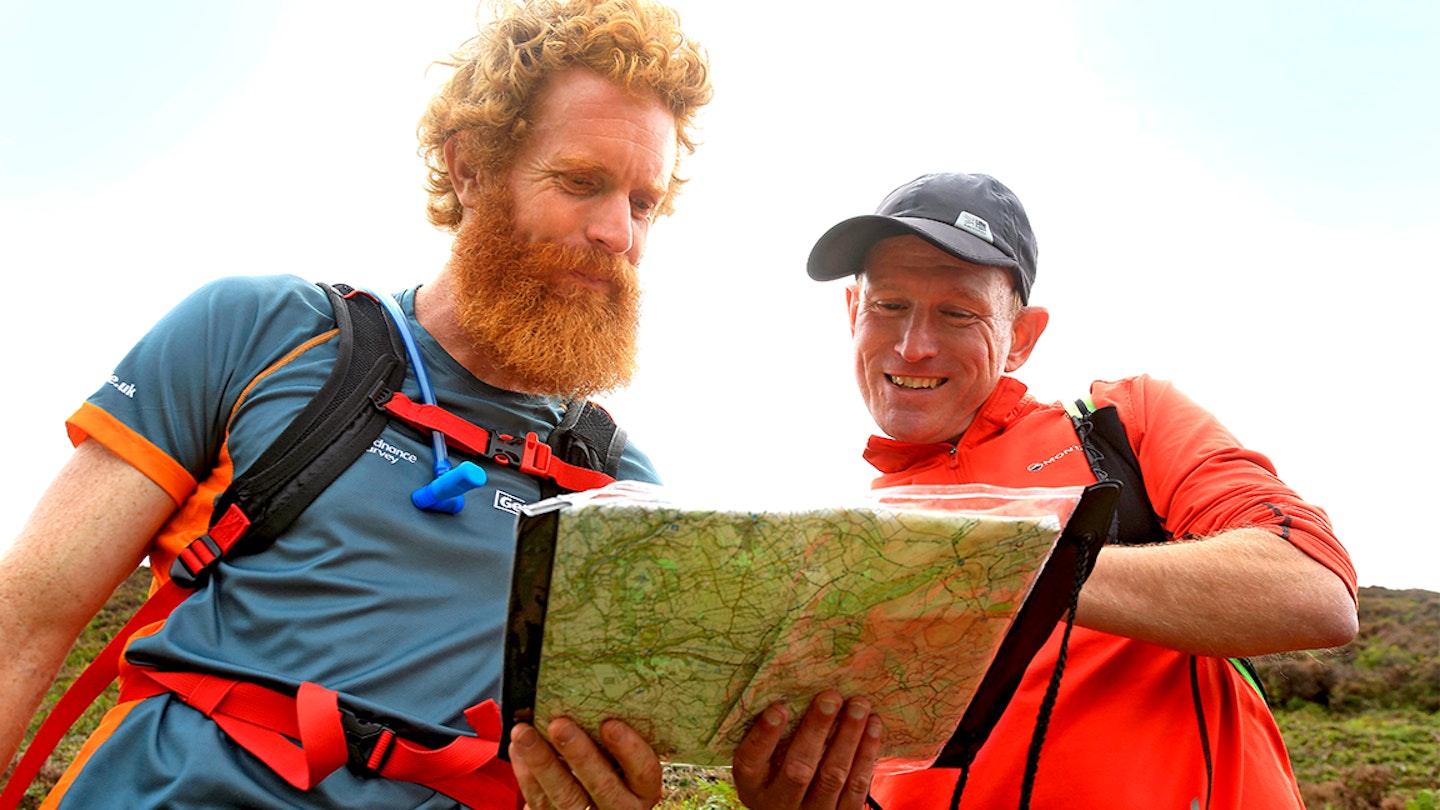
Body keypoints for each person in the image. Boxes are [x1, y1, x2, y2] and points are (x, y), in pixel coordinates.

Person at [0, 1, 718, 807]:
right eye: (581, 182)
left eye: (643, 202)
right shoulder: (261, 332)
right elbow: (24, 622)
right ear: (471, 166)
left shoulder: (623, 489)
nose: (619, 233)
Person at [801, 171, 1359, 809]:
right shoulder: (845, 544)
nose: (914, 345)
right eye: (889, 305)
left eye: (958, 314)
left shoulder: (1125, 421)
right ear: (853, 314)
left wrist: (996, 567)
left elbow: (1314, 588)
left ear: (1022, 338)